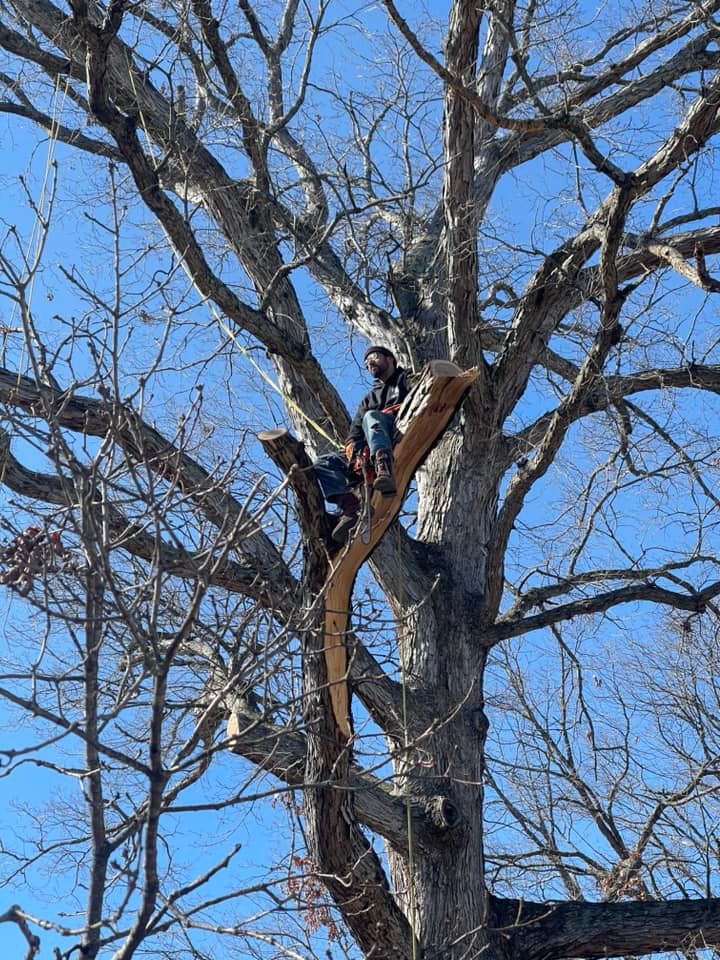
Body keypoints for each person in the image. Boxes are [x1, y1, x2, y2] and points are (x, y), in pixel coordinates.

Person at [314, 346, 412, 543]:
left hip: (395, 431)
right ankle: (351, 507)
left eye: (374, 358)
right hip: (370, 445)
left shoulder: (406, 379)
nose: (370, 364)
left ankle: (384, 467)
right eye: (366, 364)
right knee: (323, 462)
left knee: (372, 417)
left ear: (390, 359)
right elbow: (354, 433)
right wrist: (354, 451)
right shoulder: (369, 399)